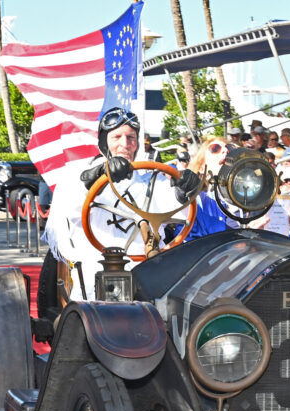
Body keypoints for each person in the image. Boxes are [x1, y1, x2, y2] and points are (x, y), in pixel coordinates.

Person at [44, 107, 201, 301]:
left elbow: (176, 211)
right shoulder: (79, 177)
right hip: (95, 277)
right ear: (104, 142)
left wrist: (183, 194)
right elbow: (68, 208)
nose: (125, 144)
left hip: (147, 273)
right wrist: (98, 175)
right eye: (116, 137)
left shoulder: (151, 180)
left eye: (131, 137)